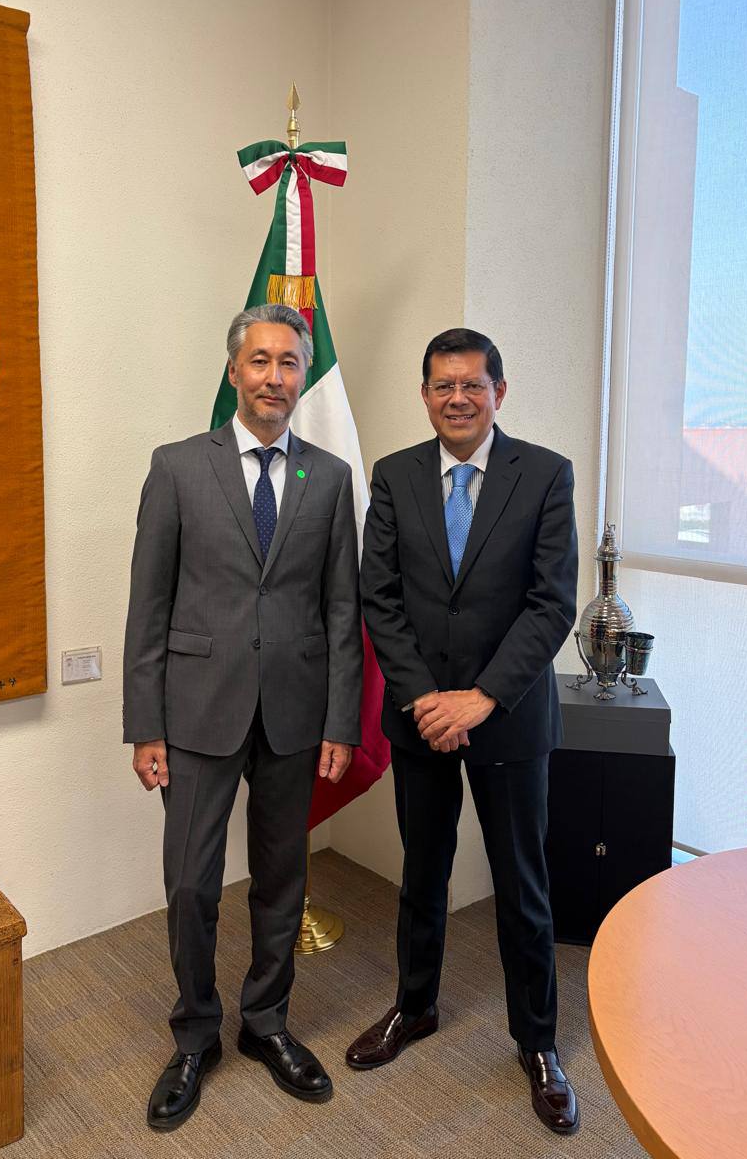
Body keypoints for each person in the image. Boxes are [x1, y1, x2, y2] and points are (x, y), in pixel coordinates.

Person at [123, 303, 362, 1132]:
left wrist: (342, 721)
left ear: (302, 376)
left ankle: (265, 1023)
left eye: (289, 363)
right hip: (195, 712)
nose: (274, 377)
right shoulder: (178, 467)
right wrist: (144, 725)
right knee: (191, 883)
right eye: (259, 361)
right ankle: (195, 1037)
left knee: (282, 880)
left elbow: (341, 609)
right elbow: (148, 605)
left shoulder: (330, 476)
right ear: (233, 372)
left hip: (296, 712)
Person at [346, 327, 580, 1135]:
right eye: (443, 385)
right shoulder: (394, 476)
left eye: (472, 385)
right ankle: (414, 1006)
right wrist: (425, 700)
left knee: (522, 885)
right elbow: (381, 597)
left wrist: (480, 698)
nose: (458, 398)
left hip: (507, 718)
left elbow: (551, 604)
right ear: (425, 395)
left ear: (498, 393)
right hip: (421, 721)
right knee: (423, 873)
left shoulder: (545, 474)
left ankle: (538, 1043)